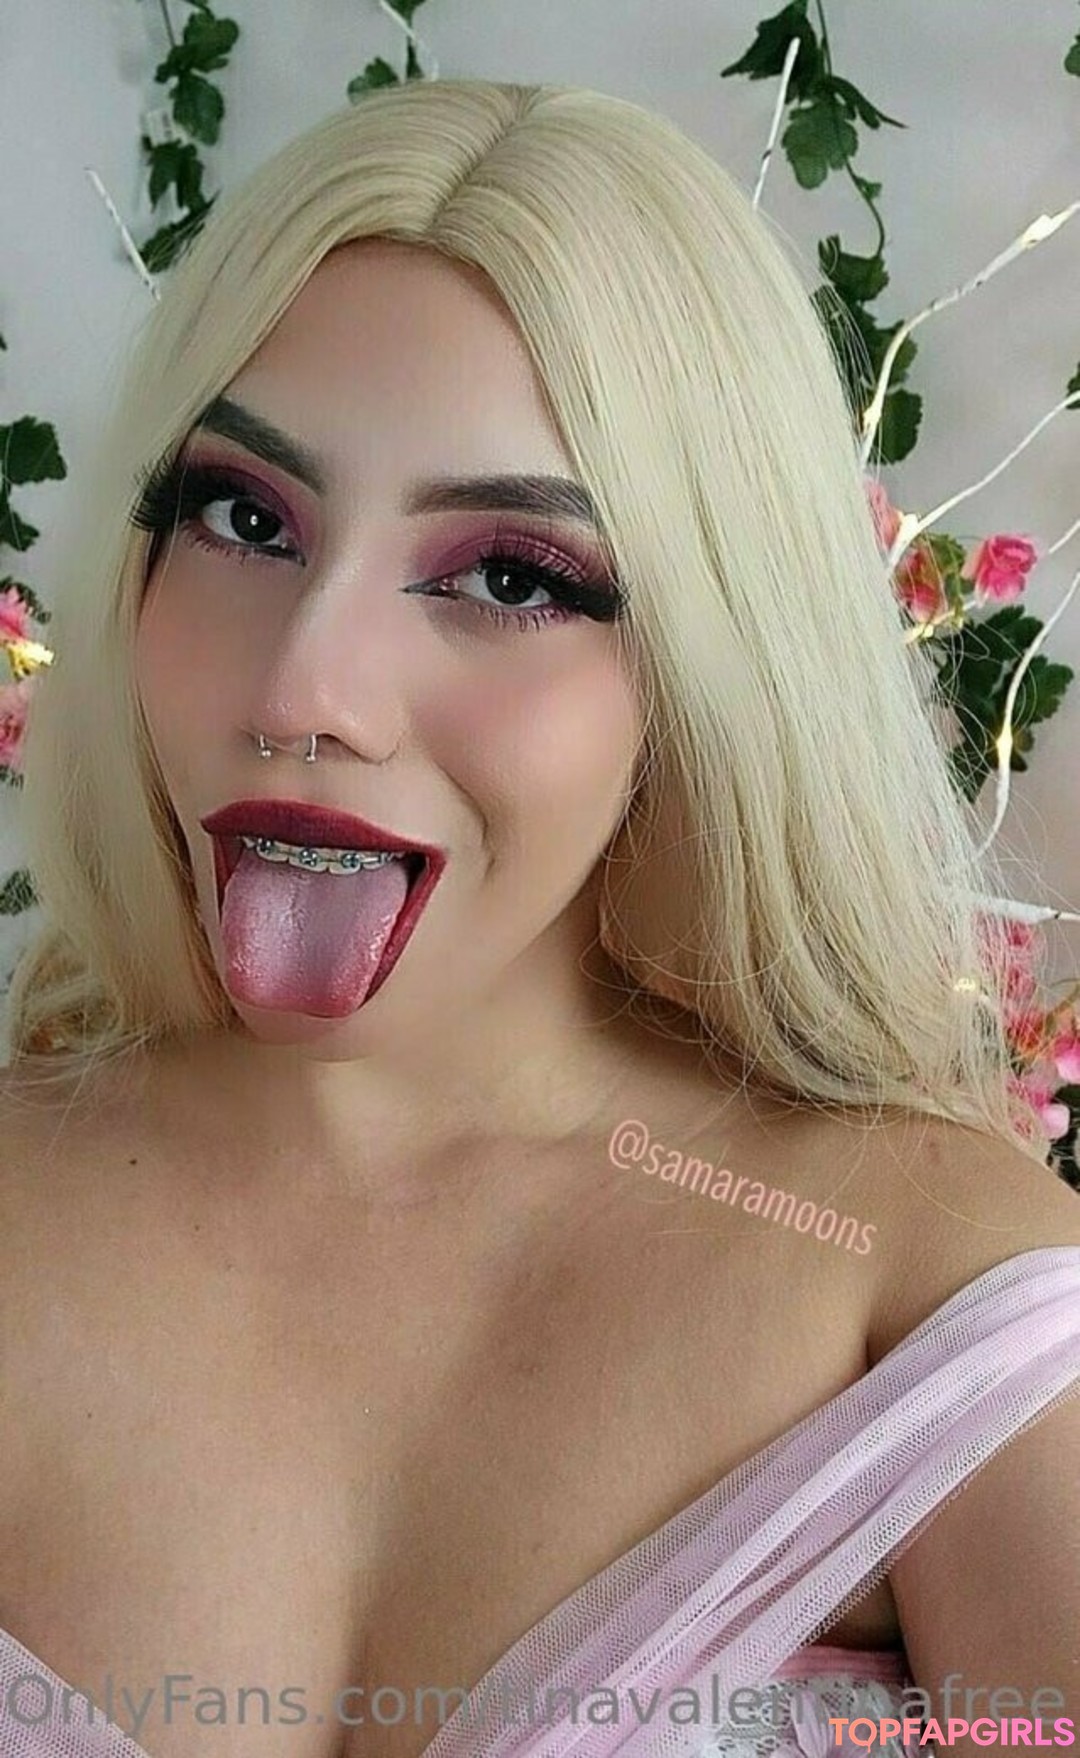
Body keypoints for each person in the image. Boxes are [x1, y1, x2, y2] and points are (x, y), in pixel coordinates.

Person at [0, 77, 1076, 1758]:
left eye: (510, 577)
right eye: (245, 518)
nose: (306, 690)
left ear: (708, 659)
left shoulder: (940, 1303)